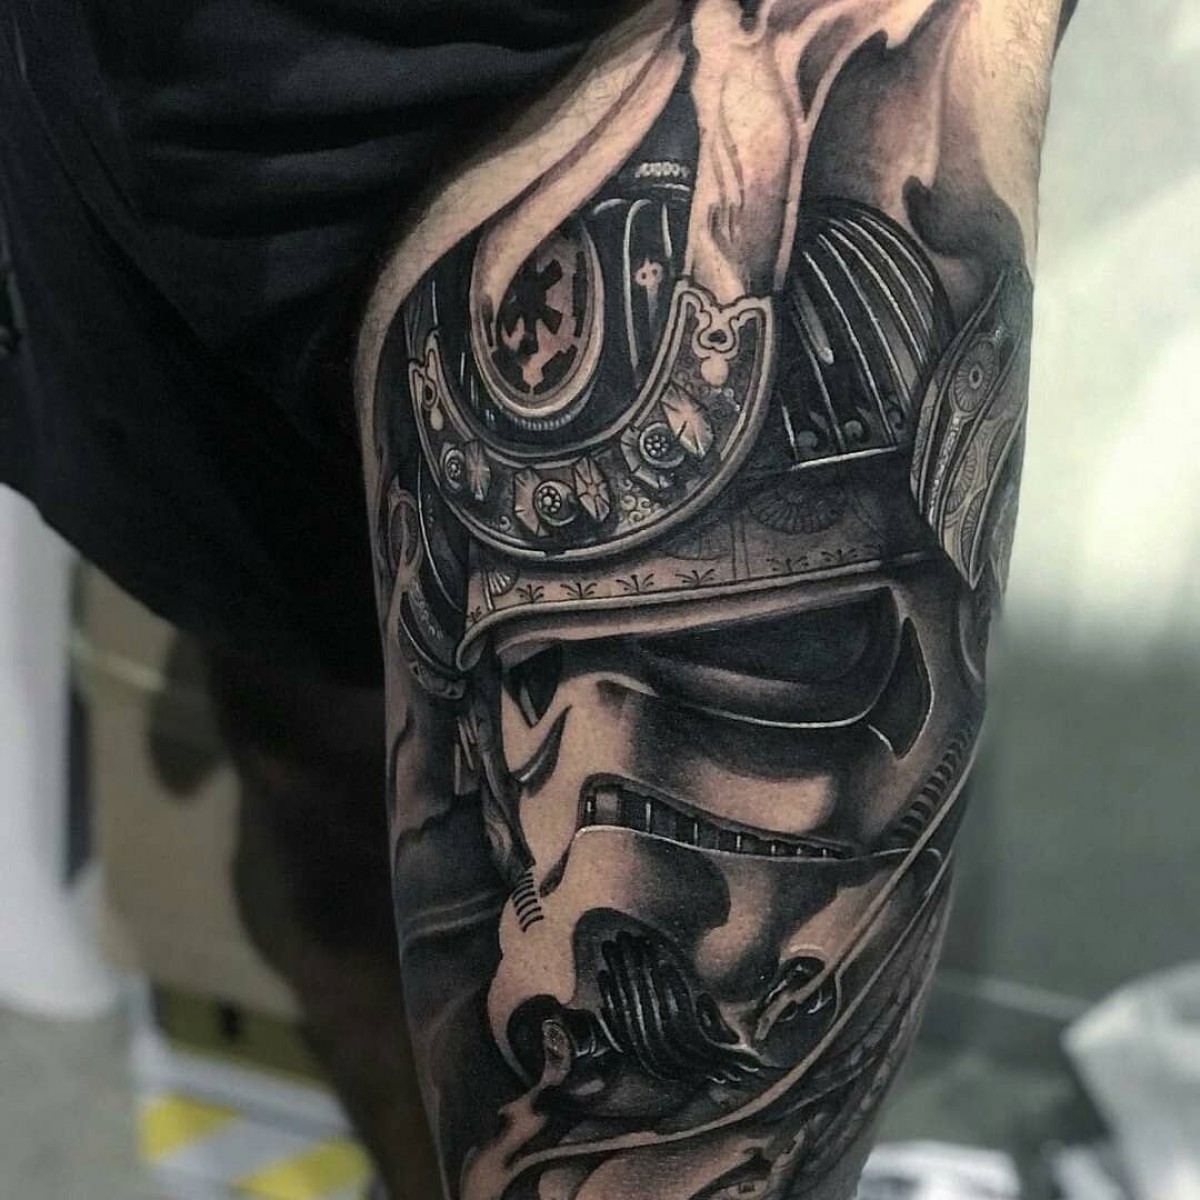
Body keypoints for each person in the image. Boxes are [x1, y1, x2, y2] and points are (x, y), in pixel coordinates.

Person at [0, 1, 1077, 1197]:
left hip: (599, 39)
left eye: (747, 682)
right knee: (307, 750)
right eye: (534, 691)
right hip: (119, 76)